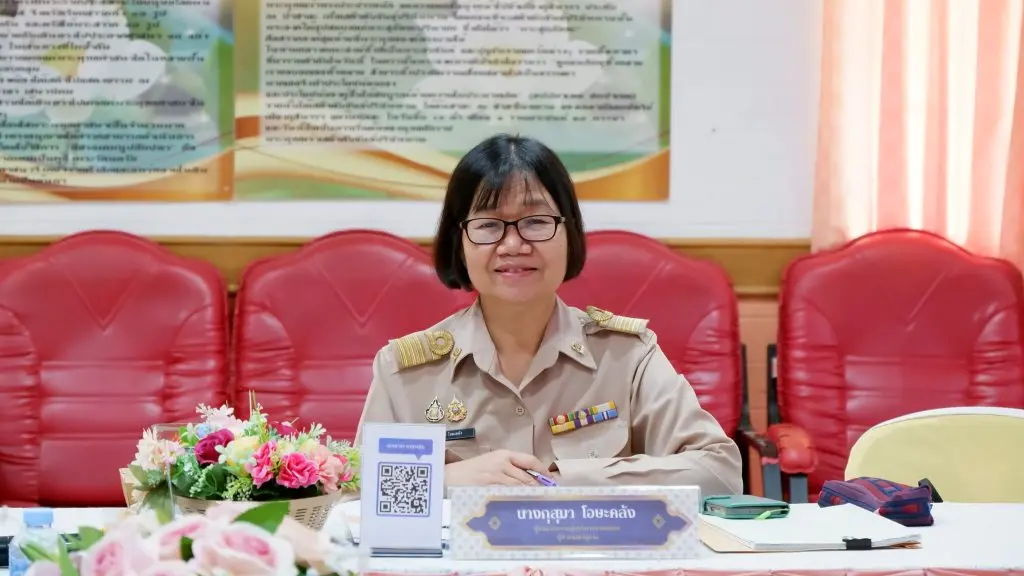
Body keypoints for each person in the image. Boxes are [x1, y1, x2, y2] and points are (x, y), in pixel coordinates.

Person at [356, 134, 742, 495]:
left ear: (569, 234)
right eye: (488, 225)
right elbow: (354, 499)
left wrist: (563, 481)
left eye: (536, 222)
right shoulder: (405, 372)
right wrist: (444, 481)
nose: (513, 244)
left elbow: (719, 473)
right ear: (459, 244)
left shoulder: (626, 356)